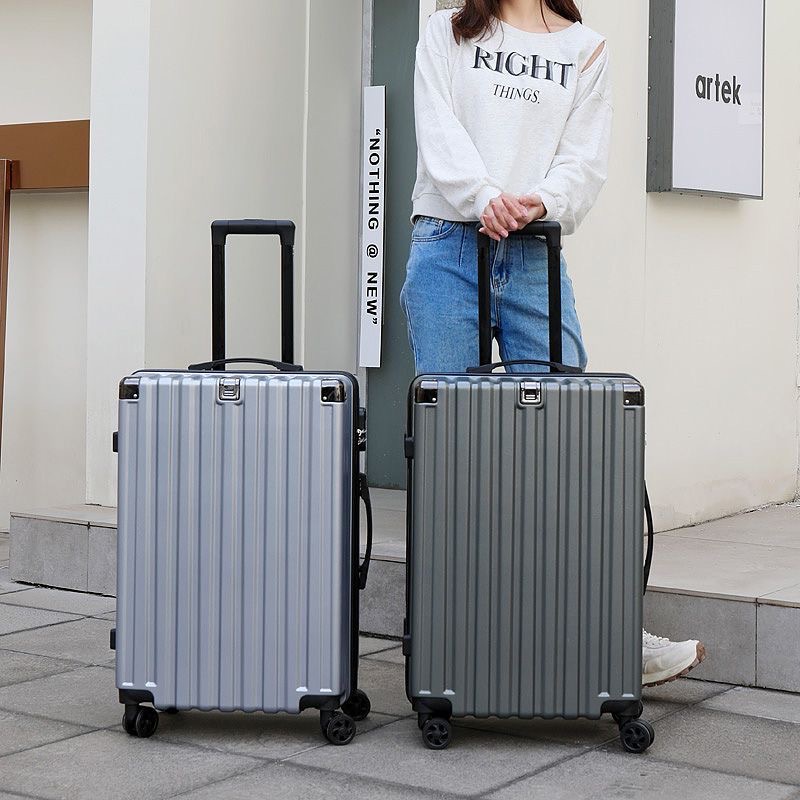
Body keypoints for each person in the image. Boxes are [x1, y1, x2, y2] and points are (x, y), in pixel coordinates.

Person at [400, 0, 706, 686]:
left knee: (573, 445)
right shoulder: (447, 30)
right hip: (448, 246)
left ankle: (609, 634)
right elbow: (438, 128)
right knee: (451, 452)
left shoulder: (586, 49)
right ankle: (452, 644)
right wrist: (484, 196)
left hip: (535, 250)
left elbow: (584, 163)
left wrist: (535, 202)